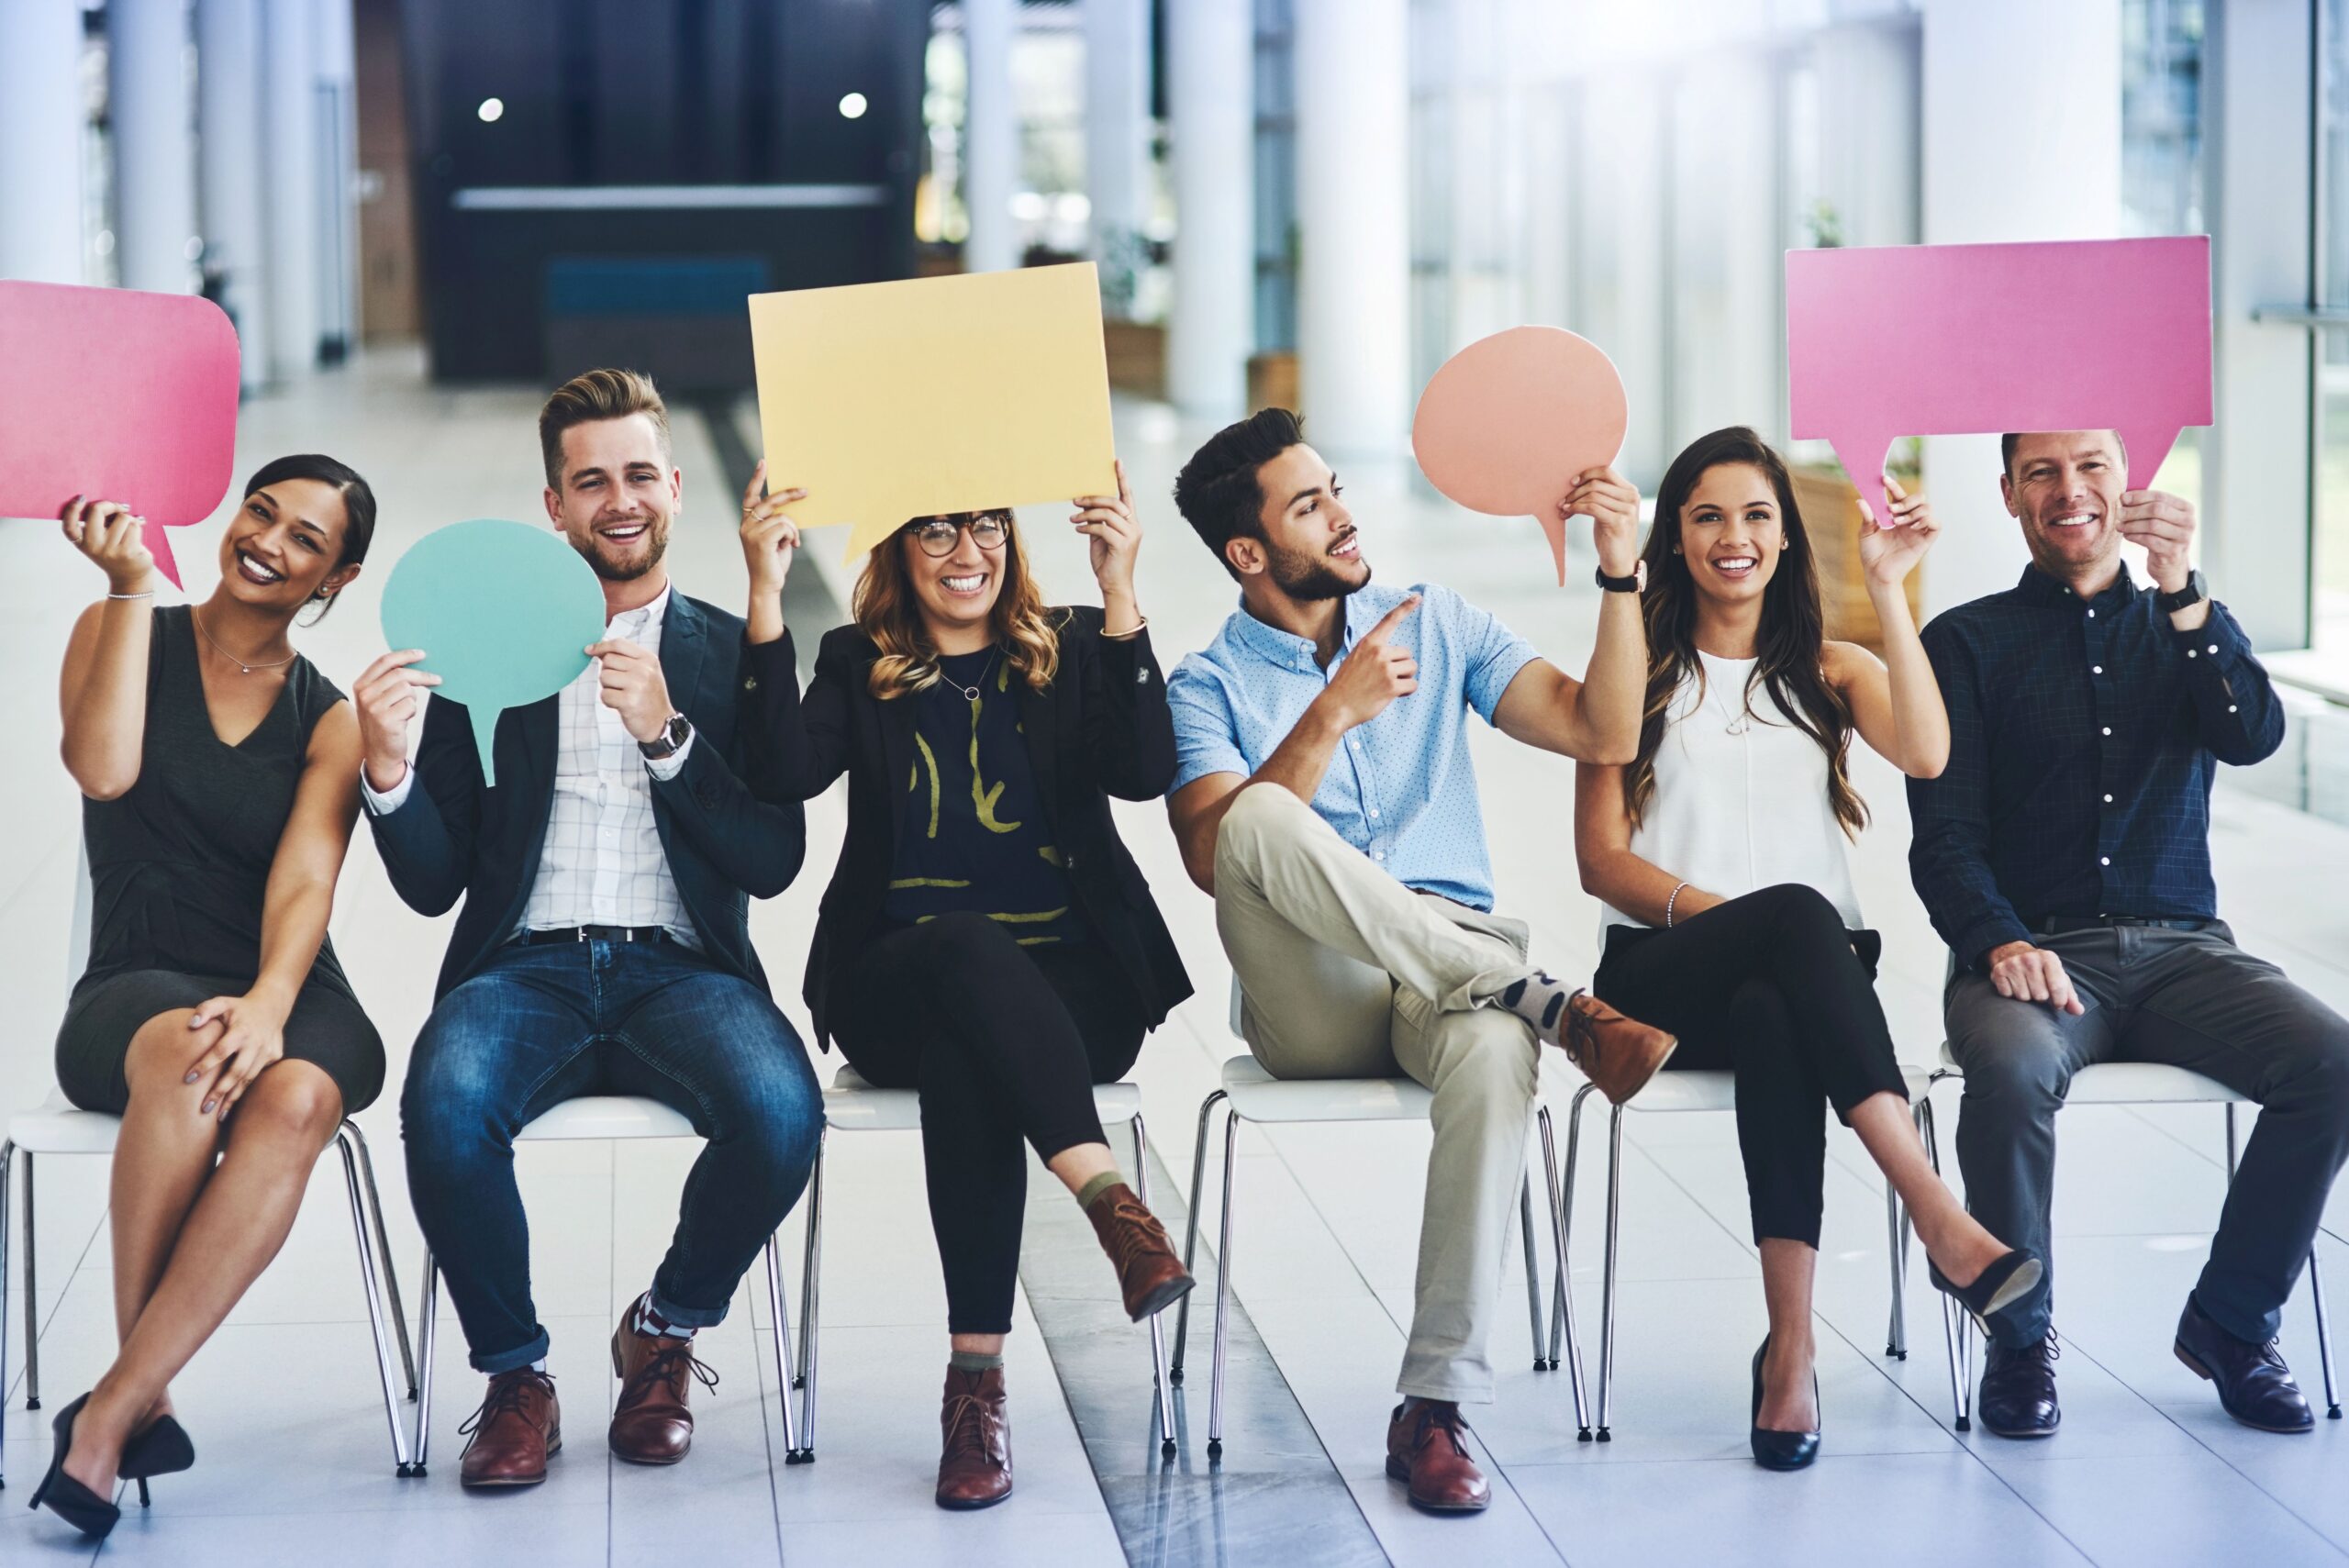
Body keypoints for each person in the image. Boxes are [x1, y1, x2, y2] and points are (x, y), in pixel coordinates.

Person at [1163, 407, 1675, 1515]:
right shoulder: (1203, 686)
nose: (1344, 514)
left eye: (1333, 487)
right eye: (1309, 505)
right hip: (1317, 994)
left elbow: (1603, 730)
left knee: (1496, 1050)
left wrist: (1620, 574)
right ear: (1247, 553)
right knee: (1255, 820)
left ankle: (1433, 1404)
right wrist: (1327, 718)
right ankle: (1550, 1000)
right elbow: (1213, 857)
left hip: (1452, 976)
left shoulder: (1434, 622)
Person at [354, 369, 822, 1489]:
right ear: (554, 506)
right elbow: (434, 884)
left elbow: (774, 856)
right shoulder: (489, 656)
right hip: (524, 968)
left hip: (684, 971)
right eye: (591, 479)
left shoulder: (728, 651)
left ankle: (663, 1328)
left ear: (673, 490)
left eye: (642, 475)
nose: (622, 499)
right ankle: (516, 1376)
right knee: (446, 1101)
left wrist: (668, 737)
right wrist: (388, 768)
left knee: (779, 1109)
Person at [1572, 427, 2043, 1471]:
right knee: (1792, 919)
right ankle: (1938, 1216)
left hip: (1803, 985)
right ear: (1673, 536)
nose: (1731, 537)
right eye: (1705, 516)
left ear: (1786, 536)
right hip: (1658, 975)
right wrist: (1726, 917)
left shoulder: (1830, 669)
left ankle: (1790, 1351)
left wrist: (1889, 589)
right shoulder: (1635, 668)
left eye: (1754, 515)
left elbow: (1926, 750)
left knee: (1776, 1005)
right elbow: (1600, 861)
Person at [732, 460, 1194, 1509]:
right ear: (898, 553)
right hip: (893, 975)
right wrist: (765, 596)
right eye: (934, 531)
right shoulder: (857, 661)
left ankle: (973, 1386)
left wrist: (1121, 590)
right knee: (964, 949)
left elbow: (1144, 769)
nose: (965, 551)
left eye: (984, 526)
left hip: (1078, 988)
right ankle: (1110, 1202)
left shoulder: (1073, 646)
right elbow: (780, 775)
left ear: (1012, 540)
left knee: (971, 1049)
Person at [1909, 428, 2349, 1438]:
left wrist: (2184, 590)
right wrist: (1999, 942)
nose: (2070, 491)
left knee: (2327, 1057)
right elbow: (1943, 838)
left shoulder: (2187, 622)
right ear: (2011, 497)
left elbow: (2251, 734)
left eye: (2091, 466)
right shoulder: (1964, 643)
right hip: (2027, 954)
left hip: (2184, 949)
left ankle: (2232, 1323)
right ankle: (2020, 1341)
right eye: (2043, 473)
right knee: (2011, 1073)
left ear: (2126, 479)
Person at [32, 460, 383, 1539]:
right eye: (262, 511)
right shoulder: (117, 623)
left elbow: (305, 879)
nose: (270, 541)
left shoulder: (329, 716)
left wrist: (273, 1001)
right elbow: (101, 770)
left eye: (306, 538)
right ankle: (129, 1406)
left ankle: (114, 1405)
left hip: (283, 980)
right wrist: (133, 581)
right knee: (192, 1054)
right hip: (134, 981)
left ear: (338, 573)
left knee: (296, 1096)